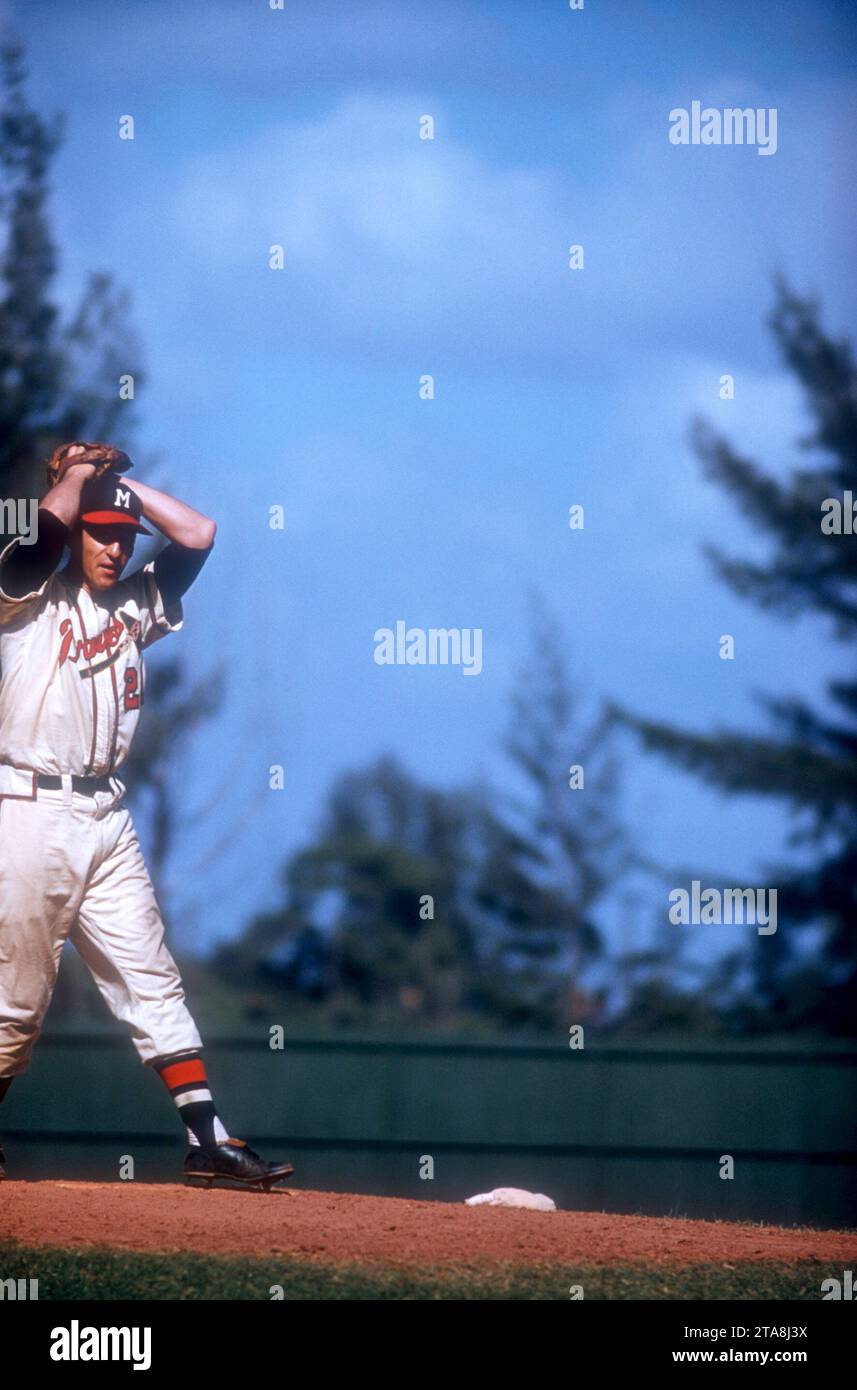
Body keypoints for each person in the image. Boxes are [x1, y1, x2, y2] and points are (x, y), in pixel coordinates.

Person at [0, 442, 293, 1191]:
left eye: (122, 533)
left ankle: (208, 1139)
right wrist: (71, 480)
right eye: (98, 530)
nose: (112, 545)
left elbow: (198, 534)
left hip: (106, 815)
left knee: (153, 981)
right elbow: (40, 538)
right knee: (16, 1011)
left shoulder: (135, 604)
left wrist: (117, 484)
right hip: (26, 810)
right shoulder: (23, 595)